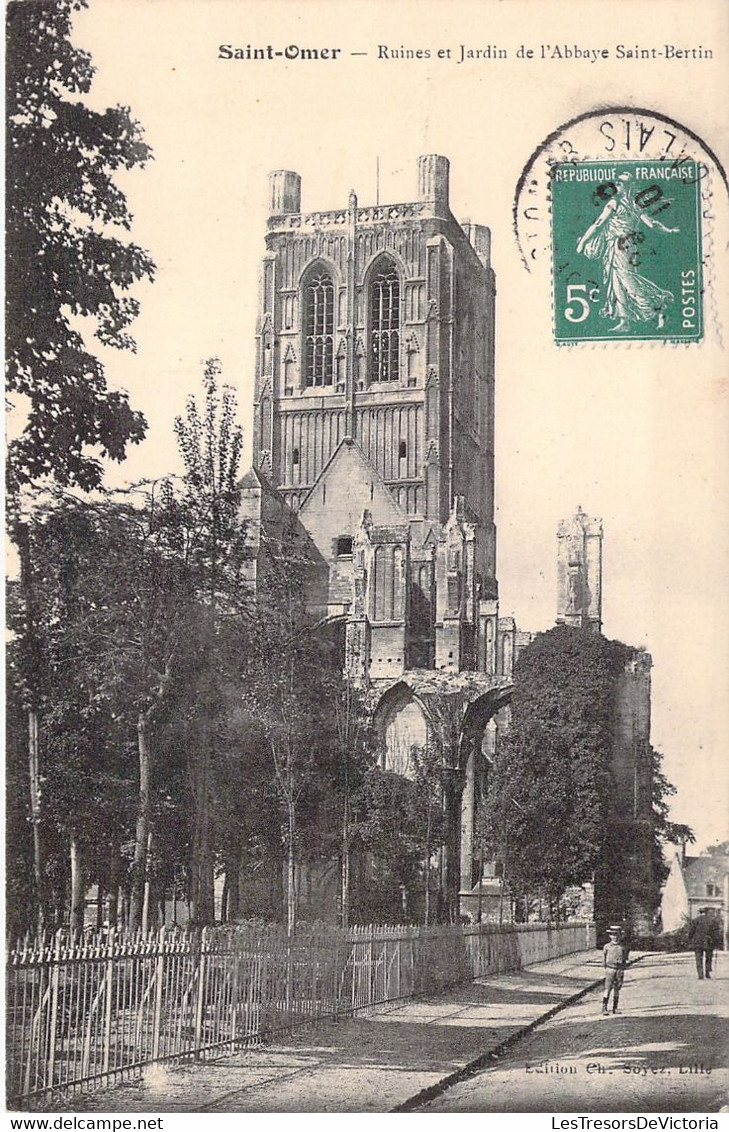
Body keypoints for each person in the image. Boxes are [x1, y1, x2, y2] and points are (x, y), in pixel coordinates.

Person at [575, 172, 679, 332]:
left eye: (621, 183)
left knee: (626, 279)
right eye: (616, 183)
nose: (617, 185)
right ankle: (625, 321)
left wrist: (582, 242)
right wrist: (669, 230)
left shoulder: (616, 203)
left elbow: (598, 224)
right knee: (616, 281)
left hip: (621, 245)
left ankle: (659, 302)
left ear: (628, 186)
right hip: (624, 245)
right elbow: (652, 224)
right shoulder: (635, 205)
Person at [687, 907, 721, 980]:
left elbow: (691, 932)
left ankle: (700, 975)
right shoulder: (712, 921)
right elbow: (716, 933)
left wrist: (690, 939)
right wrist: (716, 941)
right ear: (706, 912)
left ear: (699, 912)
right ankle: (707, 973)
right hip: (708, 942)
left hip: (697, 942)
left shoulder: (695, 921)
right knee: (708, 958)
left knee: (698, 958)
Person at [602, 924, 627, 1015]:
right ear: (610, 936)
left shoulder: (622, 947)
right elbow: (604, 958)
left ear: (620, 936)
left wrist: (622, 969)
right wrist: (606, 968)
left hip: (619, 970)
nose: (615, 937)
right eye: (613, 935)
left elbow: (624, 958)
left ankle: (615, 1008)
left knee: (617, 989)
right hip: (610, 969)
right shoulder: (607, 946)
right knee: (607, 989)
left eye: (617, 935)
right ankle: (604, 1007)